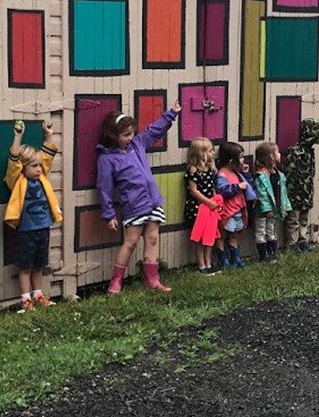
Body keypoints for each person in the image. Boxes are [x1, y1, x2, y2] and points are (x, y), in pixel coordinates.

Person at [97, 102, 181, 294]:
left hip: (152, 200)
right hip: (134, 204)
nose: (130, 137)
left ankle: (152, 279)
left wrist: (171, 114)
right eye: (125, 135)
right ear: (113, 135)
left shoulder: (138, 144)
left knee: (151, 238)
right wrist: (109, 214)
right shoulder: (107, 158)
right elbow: (104, 188)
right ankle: (115, 282)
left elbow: (154, 130)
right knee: (132, 240)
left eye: (132, 133)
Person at [4, 120, 61, 311]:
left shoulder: (42, 176)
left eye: (39, 165)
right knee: (25, 267)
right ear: (24, 167)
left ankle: (38, 295)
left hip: (42, 228)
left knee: (39, 265)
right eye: (34, 166)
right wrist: (18, 136)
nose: (39, 168)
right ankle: (25, 300)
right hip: (26, 231)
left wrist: (49, 135)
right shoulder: (17, 180)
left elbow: (47, 156)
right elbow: (13, 161)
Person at [283, 118, 319, 252]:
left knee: (304, 217)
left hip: (306, 191)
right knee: (293, 218)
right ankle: (292, 243)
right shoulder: (294, 151)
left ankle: (302, 239)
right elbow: (288, 172)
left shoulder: (310, 152)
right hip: (294, 191)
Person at [213, 141, 254, 269]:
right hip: (227, 212)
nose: (243, 160)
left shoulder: (237, 173)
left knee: (234, 236)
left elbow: (248, 186)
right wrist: (238, 186)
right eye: (241, 157)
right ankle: (222, 260)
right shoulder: (222, 175)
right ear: (231, 161)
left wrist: (246, 175)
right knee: (222, 236)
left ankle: (235, 259)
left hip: (238, 211)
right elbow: (222, 190)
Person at [184, 138, 221, 274]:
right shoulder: (193, 170)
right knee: (200, 237)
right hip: (197, 208)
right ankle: (201, 265)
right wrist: (208, 202)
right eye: (210, 151)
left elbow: (212, 188)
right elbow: (194, 191)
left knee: (210, 235)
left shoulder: (210, 169)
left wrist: (216, 201)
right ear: (201, 153)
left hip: (210, 208)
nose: (213, 153)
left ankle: (208, 262)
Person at [250, 141, 291, 260]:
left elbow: (283, 192)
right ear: (271, 156)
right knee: (261, 231)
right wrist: (266, 208)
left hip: (274, 209)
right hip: (262, 210)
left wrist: (285, 206)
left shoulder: (279, 174)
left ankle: (272, 253)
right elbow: (261, 194)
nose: (279, 154)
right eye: (277, 152)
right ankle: (263, 256)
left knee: (271, 230)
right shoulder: (261, 175)